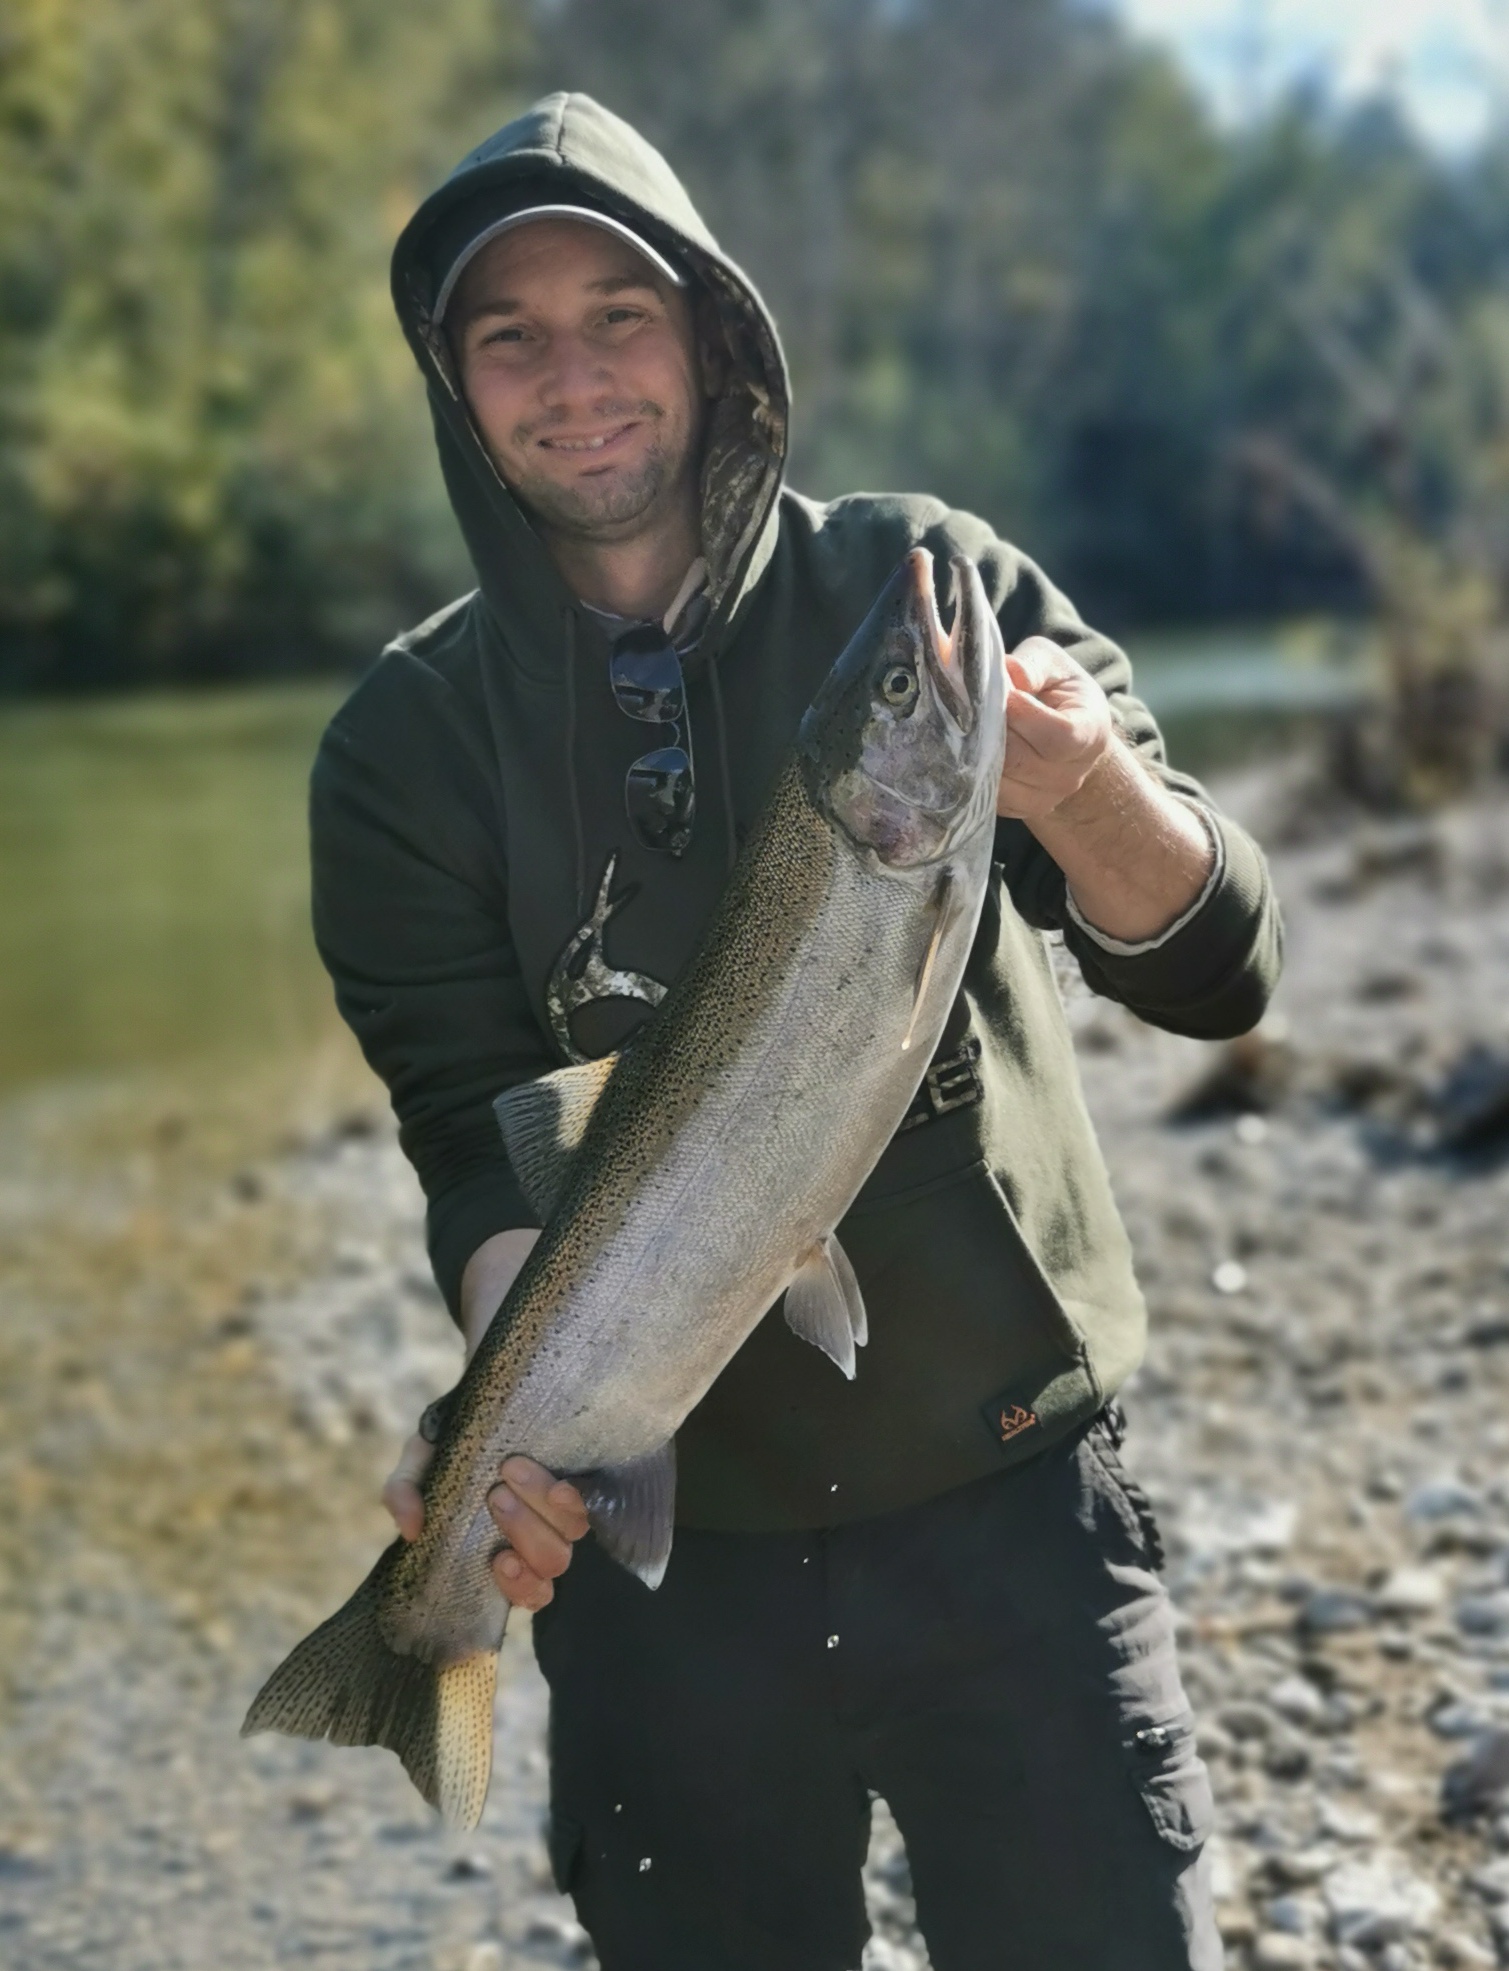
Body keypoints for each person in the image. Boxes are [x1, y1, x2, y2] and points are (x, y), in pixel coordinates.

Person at [310, 90, 1279, 1971]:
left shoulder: (919, 590)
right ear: (455, 386)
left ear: (712, 338)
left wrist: (1072, 794)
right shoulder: (401, 750)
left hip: (1015, 1503)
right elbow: (472, 1137)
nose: (571, 375)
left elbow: (1215, 968)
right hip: (669, 1594)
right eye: (509, 337)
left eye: (618, 314)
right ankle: (404, 1651)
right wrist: (505, 1451)